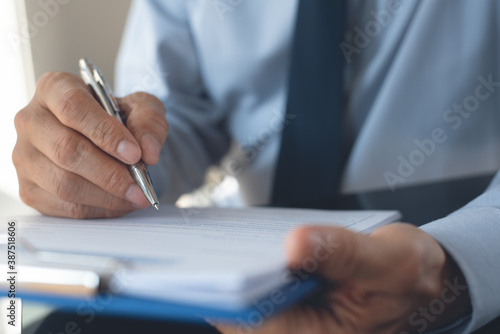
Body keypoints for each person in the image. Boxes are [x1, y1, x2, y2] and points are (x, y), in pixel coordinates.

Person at [13, 0, 500, 333]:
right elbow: (174, 113)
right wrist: (97, 160)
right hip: (237, 275)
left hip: (449, 257)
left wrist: (453, 271)